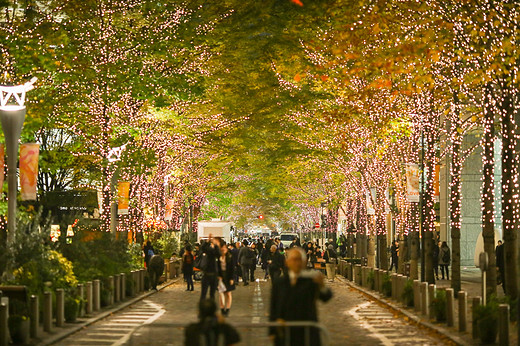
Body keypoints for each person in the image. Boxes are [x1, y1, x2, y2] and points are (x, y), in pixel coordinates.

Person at [269, 247, 332, 346]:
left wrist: (322, 286)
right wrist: (272, 331)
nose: (296, 263)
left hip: (307, 332)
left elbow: (326, 297)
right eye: (294, 260)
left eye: (299, 260)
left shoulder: (311, 281)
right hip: (285, 332)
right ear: (287, 262)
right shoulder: (279, 283)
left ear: (304, 262)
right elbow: (274, 306)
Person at [200, 235, 221, 301]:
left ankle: (203, 304)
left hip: (208, 273)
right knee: (211, 293)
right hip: (212, 273)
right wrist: (213, 244)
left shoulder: (210, 253)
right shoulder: (212, 253)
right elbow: (204, 248)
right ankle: (210, 304)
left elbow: (203, 248)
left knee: (204, 293)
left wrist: (208, 242)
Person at [218, 243, 236, 316]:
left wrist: (232, 278)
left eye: (225, 248)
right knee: (221, 293)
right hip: (220, 277)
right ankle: (222, 309)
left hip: (228, 277)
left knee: (228, 293)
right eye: (222, 248)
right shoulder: (218, 257)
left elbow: (232, 268)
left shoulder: (230, 257)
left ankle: (227, 309)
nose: (223, 250)